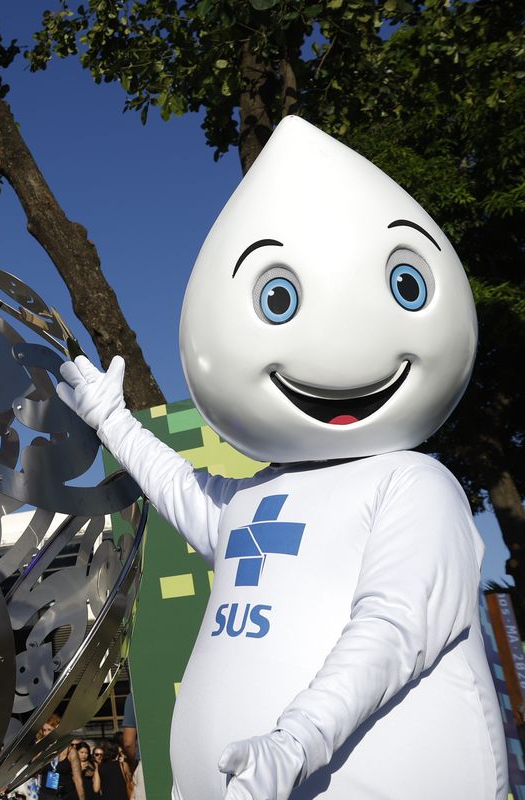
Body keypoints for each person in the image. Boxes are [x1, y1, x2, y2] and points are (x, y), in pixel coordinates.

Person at [57, 117, 506, 799]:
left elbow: (394, 628)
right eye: (278, 299)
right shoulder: (248, 504)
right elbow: (176, 485)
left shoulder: (412, 483)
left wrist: (293, 742)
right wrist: (111, 420)